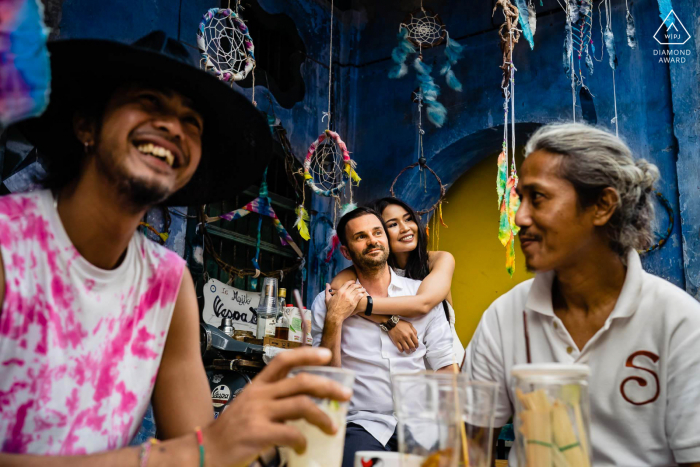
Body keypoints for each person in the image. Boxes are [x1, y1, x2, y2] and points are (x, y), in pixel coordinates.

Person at [0, 31, 351, 465]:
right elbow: (194, 453)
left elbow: (200, 450)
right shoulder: (9, 243)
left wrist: (257, 443)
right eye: (148, 103)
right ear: (86, 124)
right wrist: (190, 454)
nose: (173, 128)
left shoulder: (167, 282)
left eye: (192, 123)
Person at [463, 122, 700, 466]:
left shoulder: (678, 323)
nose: (519, 217)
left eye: (538, 198)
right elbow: (470, 448)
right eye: (519, 200)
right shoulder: (506, 316)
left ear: (602, 205)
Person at [311, 206, 456, 467]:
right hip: (362, 424)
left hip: (421, 424)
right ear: (346, 251)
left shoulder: (420, 295)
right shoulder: (329, 302)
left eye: (377, 232)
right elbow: (327, 385)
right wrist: (335, 319)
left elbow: (447, 368)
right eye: (361, 237)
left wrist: (444, 427)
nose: (372, 241)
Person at [331, 198, 464, 365]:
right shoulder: (374, 269)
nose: (405, 228)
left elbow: (422, 304)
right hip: (406, 361)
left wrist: (361, 304)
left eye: (408, 219)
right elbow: (336, 290)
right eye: (393, 224)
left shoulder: (439, 260)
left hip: (448, 360)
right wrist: (390, 322)